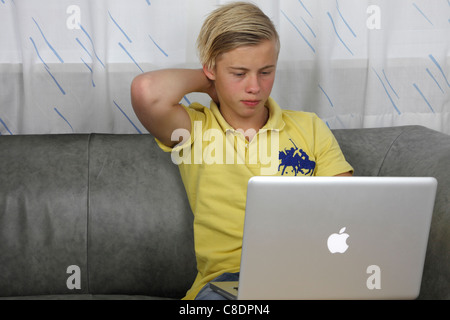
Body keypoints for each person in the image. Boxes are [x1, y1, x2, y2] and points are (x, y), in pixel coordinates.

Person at [130, 2, 353, 300]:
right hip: (227, 283)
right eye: (238, 73)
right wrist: (208, 81)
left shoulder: (309, 127)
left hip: (304, 273)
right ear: (211, 68)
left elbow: (349, 211)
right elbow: (146, 91)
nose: (255, 87)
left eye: (265, 72)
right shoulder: (195, 129)